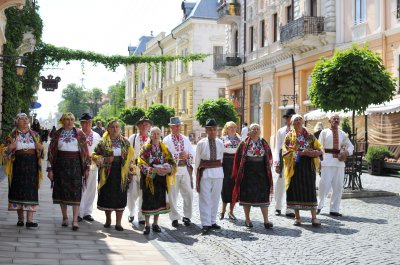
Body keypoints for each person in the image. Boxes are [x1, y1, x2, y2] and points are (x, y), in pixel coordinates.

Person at [47, 113, 90, 231]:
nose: (70, 121)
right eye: (67, 119)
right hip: (60, 165)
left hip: (76, 165)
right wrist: (50, 169)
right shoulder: (57, 134)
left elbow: (85, 152)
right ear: (62, 121)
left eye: (72, 119)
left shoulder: (80, 133)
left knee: (76, 191)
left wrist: (86, 168)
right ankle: (65, 217)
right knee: (62, 191)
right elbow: (51, 152)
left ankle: (75, 220)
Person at [92, 120, 134, 231]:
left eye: (117, 127)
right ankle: (108, 219)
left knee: (120, 196)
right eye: (112, 127)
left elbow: (131, 159)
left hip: (121, 173)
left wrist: (130, 172)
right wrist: (105, 159)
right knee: (107, 196)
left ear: (120, 129)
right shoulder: (103, 142)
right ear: (108, 129)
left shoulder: (125, 142)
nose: (115, 129)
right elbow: (94, 155)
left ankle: (119, 223)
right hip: (107, 173)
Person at [3, 113, 44, 228]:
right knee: (18, 190)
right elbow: (4, 154)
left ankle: (30, 221)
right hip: (17, 165)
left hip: (32, 166)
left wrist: (40, 149)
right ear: (17, 122)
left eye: (26, 119)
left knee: (31, 191)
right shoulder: (12, 135)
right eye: (22, 119)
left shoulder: (35, 135)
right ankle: (20, 219)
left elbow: (42, 152)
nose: (25, 121)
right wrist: (10, 148)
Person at [282, 114, 323, 227]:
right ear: (292, 123)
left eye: (300, 120)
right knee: (295, 191)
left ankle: (314, 218)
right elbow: (285, 152)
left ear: (303, 122)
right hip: (295, 167)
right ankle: (297, 217)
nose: (299, 122)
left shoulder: (309, 136)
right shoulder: (289, 136)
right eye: (296, 120)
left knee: (310, 191)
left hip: (308, 166)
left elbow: (320, 149)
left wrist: (316, 153)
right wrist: (301, 153)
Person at [231, 123, 274, 229]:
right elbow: (237, 159)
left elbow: (269, 155)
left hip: (261, 172)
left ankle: (266, 220)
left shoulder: (264, 143)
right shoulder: (243, 144)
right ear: (249, 132)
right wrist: (237, 172)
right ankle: (247, 219)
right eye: (253, 129)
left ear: (260, 131)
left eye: (257, 129)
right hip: (248, 172)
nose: (255, 130)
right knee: (247, 196)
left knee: (263, 195)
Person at [138, 127, 176, 235]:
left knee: (159, 200)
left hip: (161, 179)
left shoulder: (164, 148)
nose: (155, 136)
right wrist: (153, 170)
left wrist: (168, 169)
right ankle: (147, 224)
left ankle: (155, 224)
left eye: (158, 134)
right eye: (153, 134)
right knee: (148, 200)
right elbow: (140, 163)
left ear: (160, 135)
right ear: (150, 135)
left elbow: (172, 161)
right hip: (149, 179)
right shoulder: (145, 148)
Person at [317, 113, 354, 217]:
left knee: (338, 186)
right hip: (327, 161)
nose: (336, 120)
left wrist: (346, 153)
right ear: (329, 121)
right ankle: (319, 206)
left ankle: (334, 209)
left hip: (339, 162)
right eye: (334, 119)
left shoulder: (343, 134)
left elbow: (351, 147)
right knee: (324, 185)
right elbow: (319, 147)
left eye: (338, 119)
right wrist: (319, 161)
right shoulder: (324, 132)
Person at [163, 117, 195, 228]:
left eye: (179, 125)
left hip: (184, 169)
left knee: (189, 193)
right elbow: (164, 156)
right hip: (173, 171)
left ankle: (187, 216)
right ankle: (174, 217)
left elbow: (192, 152)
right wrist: (177, 156)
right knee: (172, 194)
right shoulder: (166, 140)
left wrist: (188, 156)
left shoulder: (185, 139)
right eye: (175, 126)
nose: (178, 127)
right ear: (171, 127)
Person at [195, 118, 224, 233]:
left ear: (216, 130)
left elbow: (221, 158)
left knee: (215, 198)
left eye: (214, 129)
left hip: (218, 173)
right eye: (210, 130)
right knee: (205, 198)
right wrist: (196, 176)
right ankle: (205, 222)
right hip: (205, 173)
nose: (212, 132)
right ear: (206, 130)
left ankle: (212, 221)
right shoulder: (201, 144)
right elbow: (197, 161)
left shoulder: (220, 143)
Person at [127, 116, 152, 225]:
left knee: (143, 194)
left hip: (146, 172)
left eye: (146, 124)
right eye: (142, 124)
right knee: (132, 193)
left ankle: (141, 216)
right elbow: (127, 154)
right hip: (134, 170)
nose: (144, 126)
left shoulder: (152, 138)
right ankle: (131, 213)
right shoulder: (133, 138)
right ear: (138, 126)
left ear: (150, 126)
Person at [77, 113, 101, 222]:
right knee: (81, 188)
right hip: (79, 165)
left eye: (89, 122)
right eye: (84, 122)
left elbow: (100, 150)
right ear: (81, 123)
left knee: (91, 188)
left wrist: (98, 158)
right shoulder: (77, 134)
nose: (87, 124)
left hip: (93, 165)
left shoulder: (96, 135)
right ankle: (79, 213)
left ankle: (87, 212)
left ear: (91, 123)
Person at [274, 109, 296, 217]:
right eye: (288, 117)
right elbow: (277, 147)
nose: (289, 119)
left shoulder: (299, 131)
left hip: (294, 160)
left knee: (292, 184)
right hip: (283, 158)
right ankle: (278, 207)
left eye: (291, 117)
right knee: (280, 183)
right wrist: (277, 163)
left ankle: (290, 209)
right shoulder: (281, 131)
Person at [219, 121, 241, 221]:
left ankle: (231, 211)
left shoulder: (239, 140)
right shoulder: (222, 139)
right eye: (230, 127)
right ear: (226, 129)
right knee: (225, 188)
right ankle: (222, 210)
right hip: (225, 164)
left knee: (234, 188)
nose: (232, 129)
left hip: (235, 164)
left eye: (234, 127)